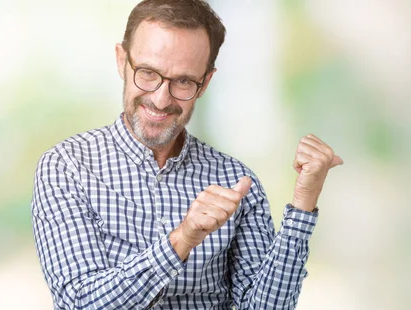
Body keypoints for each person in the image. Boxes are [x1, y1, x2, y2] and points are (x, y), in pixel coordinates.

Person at [31, 0, 343, 309]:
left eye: (183, 81)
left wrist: (304, 200)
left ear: (205, 82)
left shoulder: (235, 181)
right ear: (121, 61)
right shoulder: (67, 167)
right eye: (148, 73)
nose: (161, 98)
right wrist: (183, 239)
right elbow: (81, 302)